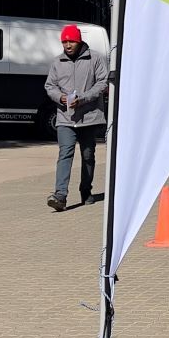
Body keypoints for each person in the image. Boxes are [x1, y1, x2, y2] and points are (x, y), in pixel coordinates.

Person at [43, 24, 109, 211]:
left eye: (71, 41)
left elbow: (103, 82)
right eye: (64, 41)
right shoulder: (57, 62)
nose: (67, 45)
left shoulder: (94, 58)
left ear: (79, 41)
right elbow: (50, 86)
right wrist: (60, 97)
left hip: (89, 117)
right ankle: (60, 195)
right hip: (65, 117)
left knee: (88, 155)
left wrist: (84, 98)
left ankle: (86, 190)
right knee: (65, 154)